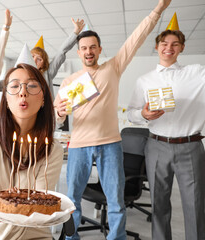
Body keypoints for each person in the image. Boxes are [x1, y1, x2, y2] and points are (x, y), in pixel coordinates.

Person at [53, 0, 171, 239]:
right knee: (72, 199)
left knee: (116, 200)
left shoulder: (113, 67)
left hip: (110, 144)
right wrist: (60, 113)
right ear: (78, 52)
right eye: (84, 48)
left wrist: (158, 9)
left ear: (99, 49)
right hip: (78, 146)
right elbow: (57, 117)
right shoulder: (68, 82)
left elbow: (136, 38)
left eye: (93, 47)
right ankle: (71, 236)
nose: (88, 51)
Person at [0, 63, 64, 239]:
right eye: (15, 86)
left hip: (34, 234)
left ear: (44, 98)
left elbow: (38, 205)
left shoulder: (52, 149)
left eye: (31, 86)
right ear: (6, 99)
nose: (23, 92)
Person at [127, 27, 205, 240]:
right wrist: (143, 113)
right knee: (159, 203)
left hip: (190, 145)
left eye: (174, 44)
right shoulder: (145, 80)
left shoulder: (197, 73)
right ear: (157, 47)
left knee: (195, 204)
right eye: (164, 44)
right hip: (157, 145)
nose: (168, 48)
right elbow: (131, 114)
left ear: (182, 48)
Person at [31, 18, 85, 98]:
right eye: (32, 56)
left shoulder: (47, 74)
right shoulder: (20, 73)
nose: (34, 60)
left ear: (43, 65)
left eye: (39, 59)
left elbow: (61, 52)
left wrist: (76, 32)